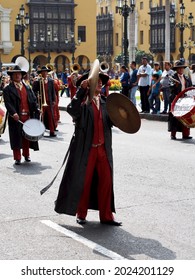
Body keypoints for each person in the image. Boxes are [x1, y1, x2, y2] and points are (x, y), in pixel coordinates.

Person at [54, 71, 122, 226]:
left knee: (106, 182)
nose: (100, 84)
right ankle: (81, 213)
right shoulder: (82, 102)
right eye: (96, 81)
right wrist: (81, 90)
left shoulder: (105, 102)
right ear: (88, 84)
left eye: (101, 82)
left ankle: (107, 216)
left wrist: (124, 116)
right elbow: (72, 110)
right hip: (87, 149)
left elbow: (113, 122)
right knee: (83, 181)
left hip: (103, 149)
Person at [3, 66, 40, 165]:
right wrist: (13, 113)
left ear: (22, 75)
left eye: (19, 73)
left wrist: (37, 109)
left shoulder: (27, 87)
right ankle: (17, 157)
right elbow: (8, 103)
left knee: (27, 137)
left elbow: (33, 100)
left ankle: (26, 154)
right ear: (11, 76)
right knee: (16, 137)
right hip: (16, 117)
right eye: (15, 74)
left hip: (27, 116)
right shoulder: (7, 89)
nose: (17, 75)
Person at [168, 61, 192, 140]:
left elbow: (190, 87)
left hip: (185, 100)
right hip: (175, 99)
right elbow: (170, 86)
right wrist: (175, 85)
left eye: (182, 68)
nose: (181, 70)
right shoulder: (173, 77)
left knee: (185, 116)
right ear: (177, 69)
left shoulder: (186, 77)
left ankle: (185, 134)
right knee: (174, 116)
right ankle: (173, 134)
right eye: (179, 68)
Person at [32, 66, 57, 137]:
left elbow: (53, 91)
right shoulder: (37, 81)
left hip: (49, 102)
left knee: (50, 116)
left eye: (46, 72)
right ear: (41, 73)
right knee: (41, 117)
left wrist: (54, 100)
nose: (45, 73)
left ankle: (52, 131)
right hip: (41, 102)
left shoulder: (51, 81)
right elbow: (33, 91)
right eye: (43, 72)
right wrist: (37, 95)